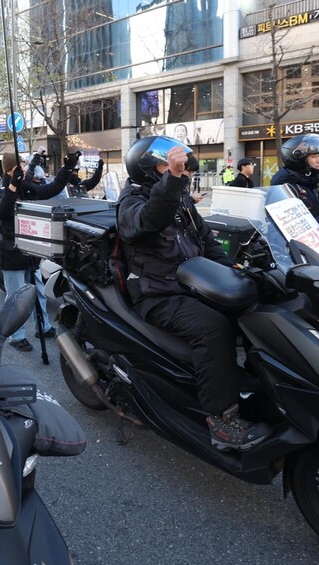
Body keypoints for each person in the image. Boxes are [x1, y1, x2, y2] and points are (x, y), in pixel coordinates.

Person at [116, 136, 271, 452]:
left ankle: (259, 388)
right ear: (148, 169)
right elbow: (147, 221)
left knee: (253, 308)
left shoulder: (182, 201)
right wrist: (172, 181)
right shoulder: (131, 203)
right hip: (156, 294)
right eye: (169, 167)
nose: (181, 173)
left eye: (182, 169)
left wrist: (234, 274)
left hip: (189, 286)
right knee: (213, 327)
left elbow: (207, 242)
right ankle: (221, 421)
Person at [0, 149, 75, 351]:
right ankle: (15, 336)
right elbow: (1, 212)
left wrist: (67, 168)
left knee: (39, 293)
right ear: (10, 170)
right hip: (10, 252)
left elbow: (51, 189)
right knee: (16, 299)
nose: (23, 169)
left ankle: (43, 327)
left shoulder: (26, 187)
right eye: (19, 167)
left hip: (31, 250)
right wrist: (12, 186)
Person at [271, 133, 319, 225]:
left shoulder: (308, 183)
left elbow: (314, 216)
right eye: (314, 156)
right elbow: (298, 228)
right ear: (299, 159)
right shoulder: (285, 187)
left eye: (318, 156)